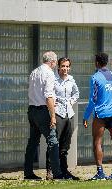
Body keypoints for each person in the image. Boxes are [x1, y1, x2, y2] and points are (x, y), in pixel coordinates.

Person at [83, 52, 112, 180]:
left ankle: (100, 173)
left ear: (96, 63)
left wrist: (85, 116)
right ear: (106, 62)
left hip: (100, 114)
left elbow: (92, 100)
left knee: (97, 142)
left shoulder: (95, 77)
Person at [24, 51, 66, 180]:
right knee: (53, 141)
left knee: (33, 142)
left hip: (32, 110)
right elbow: (48, 96)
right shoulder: (49, 73)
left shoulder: (34, 72)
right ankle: (57, 173)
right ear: (53, 62)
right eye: (55, 62)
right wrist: (53, 115)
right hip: (42, 111)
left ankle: (28, 172)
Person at [45, 57, 80, 180]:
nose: (65, 68)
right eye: (63, 66)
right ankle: (50, 171)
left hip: (69, 114)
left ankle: (64, 171)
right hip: (58, 114)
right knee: (54, 143)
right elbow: (47, 93)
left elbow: (76, 93)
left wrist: (71, 101)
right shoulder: (53, 80)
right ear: (58, 67)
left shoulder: (71, 80)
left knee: (65, 146)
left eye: (67, 66)